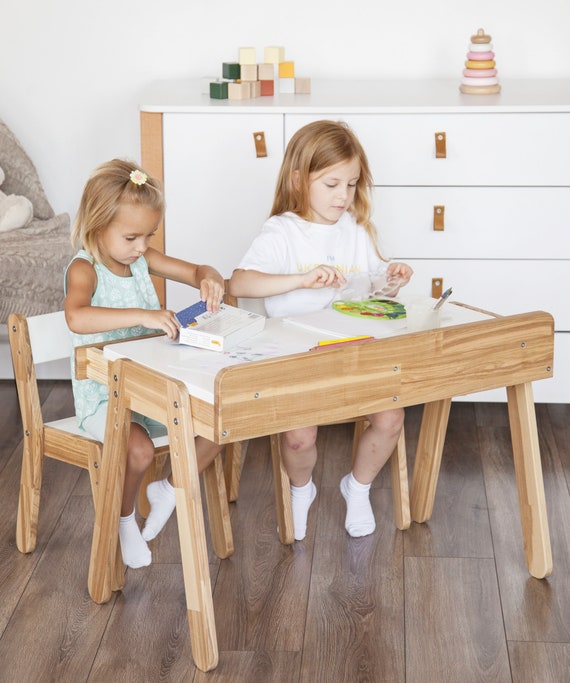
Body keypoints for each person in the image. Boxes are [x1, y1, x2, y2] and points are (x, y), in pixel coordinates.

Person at [229, 120, 413, 541]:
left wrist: (392, 277)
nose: (343, 196)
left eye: (350, 184)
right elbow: (239, 283)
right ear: (299, 179)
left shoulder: (354, 229)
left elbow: (372, 286)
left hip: (353, 353)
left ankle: (358, 487)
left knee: (391, 417)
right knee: (298, 438)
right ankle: (301, 491)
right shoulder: (282, 232)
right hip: (296, 357)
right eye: (331, 184)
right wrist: (300, 279)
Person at [64, 158, 225, 568]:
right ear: (98, 225)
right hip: (105, 396)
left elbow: (196, 270)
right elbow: (76, 317)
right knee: (136, 449)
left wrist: (210, 278)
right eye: (133, 237)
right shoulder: (86, 268)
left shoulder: (140, 258)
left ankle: (168, 490)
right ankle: (123, 518)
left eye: (148, 236)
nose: (142, 247)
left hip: (151, 386)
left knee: (223, 421)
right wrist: (141, 314)